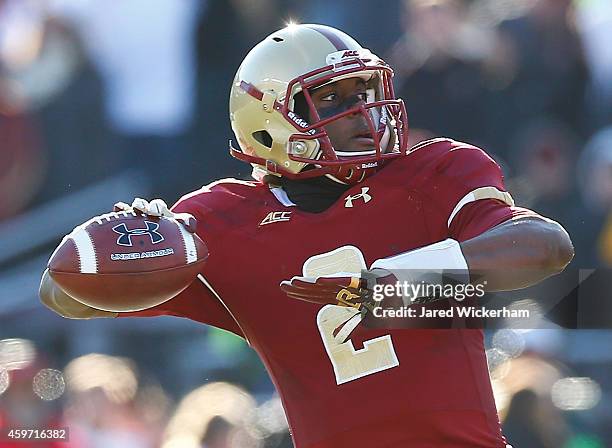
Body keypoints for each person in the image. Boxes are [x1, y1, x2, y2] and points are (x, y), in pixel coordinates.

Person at [40, 24, 574, 447]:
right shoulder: (221, 221)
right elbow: (64, 295)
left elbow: (547, 247)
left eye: (365, 89)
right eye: (334, 100)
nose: (364, 111)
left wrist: (398, 284)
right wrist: (124, 242)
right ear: (271, 120)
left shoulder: (432, 174)